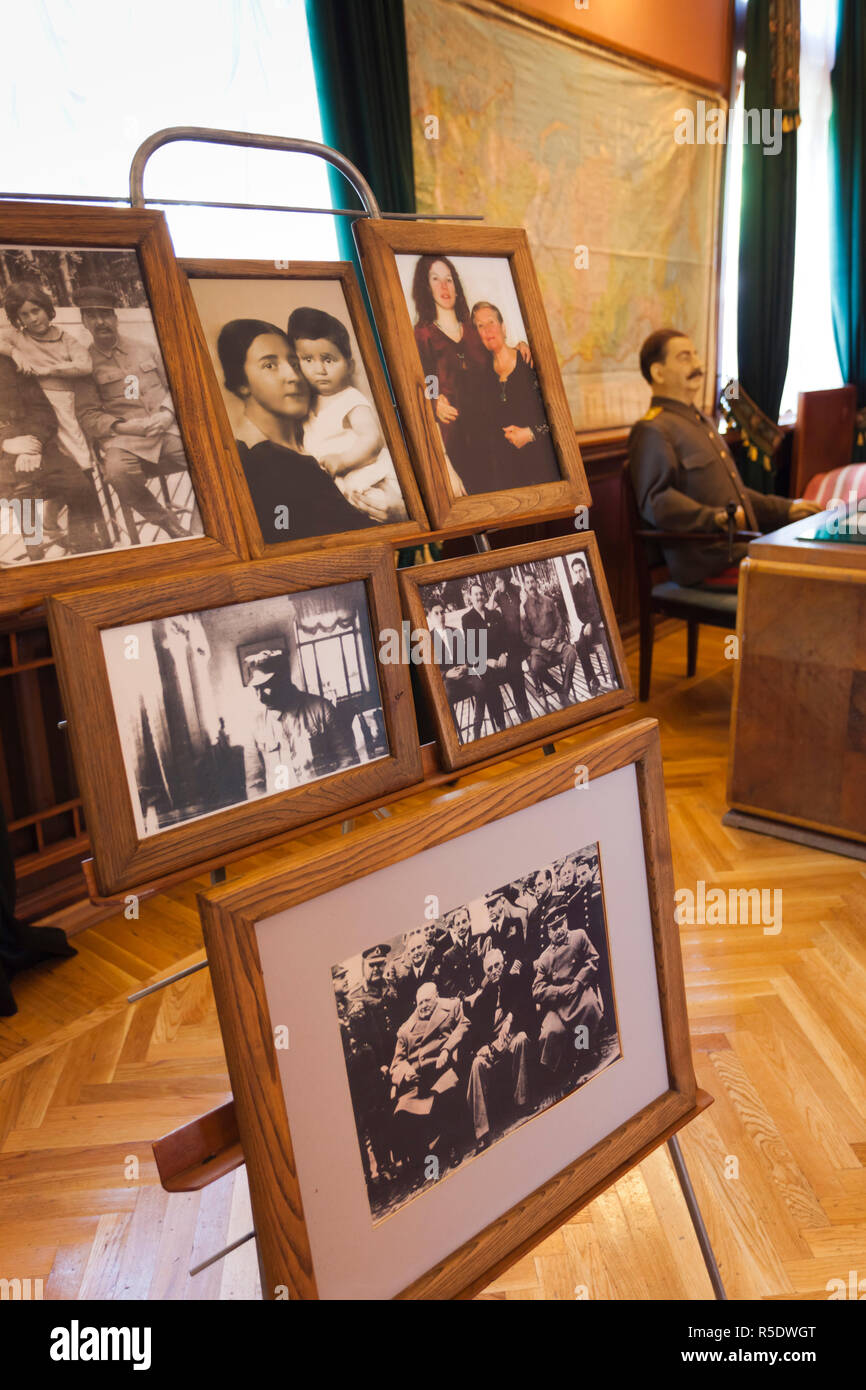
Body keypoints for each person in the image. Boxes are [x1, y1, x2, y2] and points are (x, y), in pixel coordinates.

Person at [628, 328, 820, 589]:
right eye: (685, 357)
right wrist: (713, 518)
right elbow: (655, 500)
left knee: (819, 560)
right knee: (809, 576)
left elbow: (736, 496)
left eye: (696, 355)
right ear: (658, 372)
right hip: (710, 561)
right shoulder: (653, 428)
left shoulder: (701, 422)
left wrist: (785, 509)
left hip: (739, 547)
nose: (697, 364)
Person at [216, 319, 402, 543]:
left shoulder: (313, 439)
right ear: (240, 383)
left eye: (295, 364)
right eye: (269, 365)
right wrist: (399, 516)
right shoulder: (262, 466)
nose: (293, 376)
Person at [72, 285, 194, 541]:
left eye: (105, 314)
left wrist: (166, 413)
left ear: (115, 318)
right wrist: (125, 428)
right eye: (92, 316)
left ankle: (205, 516)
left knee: (205, 455)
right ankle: (164, 521)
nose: (100, 321)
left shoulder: (147, 348)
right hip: (125, 439)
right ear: (84, 322)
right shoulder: (85, 363)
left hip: (166, 429)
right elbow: (88, 415)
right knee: (117, 472)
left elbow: (178, 386)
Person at [410, 256, 532, 496]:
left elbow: (497, 353)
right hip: (456, 440)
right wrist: (434, 400)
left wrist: (520, 345)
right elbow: (424, 376)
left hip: (495, 435)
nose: (444, 287)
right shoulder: (422, 333)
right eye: (435, 279)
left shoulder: (473, 328)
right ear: (425, 286)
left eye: (449, 279)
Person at [287, 306, 407, 522]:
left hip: (373, 479)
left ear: (349, 365)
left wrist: (342, 461)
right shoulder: (306, 407)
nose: (319, 370)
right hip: (347, 491)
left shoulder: (349, 399)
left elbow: (372, 440)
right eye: (307, 360)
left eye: (328, 359)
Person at [0, 347, 103, 560]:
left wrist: (33, 446)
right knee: (22, 493)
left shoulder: (9, 364)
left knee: (80, 483)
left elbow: (42, 411)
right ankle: (35, 554)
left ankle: (81, 544)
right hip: (3, 457)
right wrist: (6, 444)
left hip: (35, 448)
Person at [1, 281, 93, 471]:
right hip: (34, 404)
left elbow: (85, 365)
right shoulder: (17, 337)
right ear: (18, 318)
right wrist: (14, 353)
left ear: (47, 309)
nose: (33, 319)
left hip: (62, 400)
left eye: (36, 311)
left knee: (75, 448)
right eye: (24, 315)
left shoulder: (64, 339)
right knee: (42, 448)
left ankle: (86, 480)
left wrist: (49, 370)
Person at [470, 301, 559, 490]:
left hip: (543, 472)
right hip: (508, 479)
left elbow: (558, 415)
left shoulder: (530, 362)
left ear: (503, 327)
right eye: (480, 326)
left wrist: (531, 433)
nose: (487, 329)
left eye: (491, 322)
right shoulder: (482, 376)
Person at [243, 647, 356, 794]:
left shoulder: (321, 708)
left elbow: (348, 760)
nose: (260, 697)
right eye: (256, 689)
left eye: (265, 687)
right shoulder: (255, 725)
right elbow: (254, 785)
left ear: (283, 680)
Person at [389, 981, 469, 1164]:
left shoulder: (452, 1006)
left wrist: (447, 1049)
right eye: (420, 1003)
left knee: (444, 1096)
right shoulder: (405, 1029)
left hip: (444, 1068)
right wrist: (407, 1071)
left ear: (437, 997)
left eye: (427, 1001)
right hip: (419, 1080)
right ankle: (421, 1162)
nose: (423, 1006)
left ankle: (452, 1147)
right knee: (401, 1110)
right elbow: (397, 1062)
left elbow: (464, 1025)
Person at [465, 949, 532, 1150]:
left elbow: (525, 1007)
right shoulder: (482, 1000)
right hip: (493, 1048)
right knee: (477, 1064)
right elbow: (475, 1033)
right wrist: (484, 1047)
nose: (494, 971)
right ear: (486, 973)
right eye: (489, 969)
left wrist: (510, 1019)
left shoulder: (515, 982)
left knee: (522, 1040)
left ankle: (522, 1103)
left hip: (512, 1038)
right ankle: (482, 1132)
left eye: (497, 966)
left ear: (504, 964)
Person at [333, 963, 393, 1184]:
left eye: (344, 976)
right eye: (339, 978)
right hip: (348, 1080)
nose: (345, 979)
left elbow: (374, 1036)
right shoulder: (324, 1015)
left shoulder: (358, 1006)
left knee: (376, 1118)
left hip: (368, 1074)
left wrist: (380, 1064)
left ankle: (385, 1167)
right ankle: (366, 1177)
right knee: (356, 1128)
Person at [532, 910, 603, 1077]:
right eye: (554, 928)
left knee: (587, 1009)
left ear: (566, 922)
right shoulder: (545, 957)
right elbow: (537, 989)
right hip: (559, 1004)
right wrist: (558, 991)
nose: (559, 930)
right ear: (548, 933)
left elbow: (593, 959)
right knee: (550, 1032)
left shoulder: (579, 936)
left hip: (580, 992)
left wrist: (578, 982)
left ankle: (585, 1052)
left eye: (561, 924)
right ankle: (558, 1071)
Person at [462, 580, 530, 734]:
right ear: (470, 598)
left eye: (481, 593)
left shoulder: (495, 614)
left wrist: (504, 654)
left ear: (485, 596)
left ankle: (524, 711)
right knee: (488, 681)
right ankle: (500, 723)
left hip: (502, 658)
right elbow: (472, 648)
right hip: (486, 662)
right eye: (476, 594)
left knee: (516, 670)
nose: (479, 597)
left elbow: (505, 637)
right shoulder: (467, 619)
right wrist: (486, 661)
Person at [520, 572, 578, 704]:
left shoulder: (549, 601)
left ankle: (565, 689)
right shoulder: (524, 608)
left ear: (537, 582)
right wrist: (541, 643)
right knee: (534, 666)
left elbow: (559, 622)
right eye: (528, 582)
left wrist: (555, 638)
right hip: (539, 649)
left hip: (556, 644)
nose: (531, 585)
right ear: (524, 586)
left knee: (571, 653)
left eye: (532, 581)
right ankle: (560, 690)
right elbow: (525, 635)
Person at [568, 556, 607, 696]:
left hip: (600, 624)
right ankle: (593, 680)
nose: (579, 575)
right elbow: (579, 613)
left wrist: (592, 622)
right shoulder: (575, 589)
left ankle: (615, 677)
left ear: (585, 570)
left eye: (581, 571)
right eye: (576, 572)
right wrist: (587, 624)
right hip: (588, 626)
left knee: (608, 642)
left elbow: (601, 607)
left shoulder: (594, 583)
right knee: (579, 645)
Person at [391, 928, 439, 1021]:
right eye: (412, 950)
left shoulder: (436, 970)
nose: (416, 952)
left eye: (419, 947)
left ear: (426, 947)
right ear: (408, 955)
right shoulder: (405, 982)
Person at [437, 907, 482, 1001]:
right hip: (466, 1002)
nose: (461, 927)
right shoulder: (448, 956)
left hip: (486, 992)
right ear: (453, 928)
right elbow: (449, 983)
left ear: (470, 921)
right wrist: (465, 998)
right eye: (457, 924)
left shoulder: (480, 940)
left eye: (464, 921)